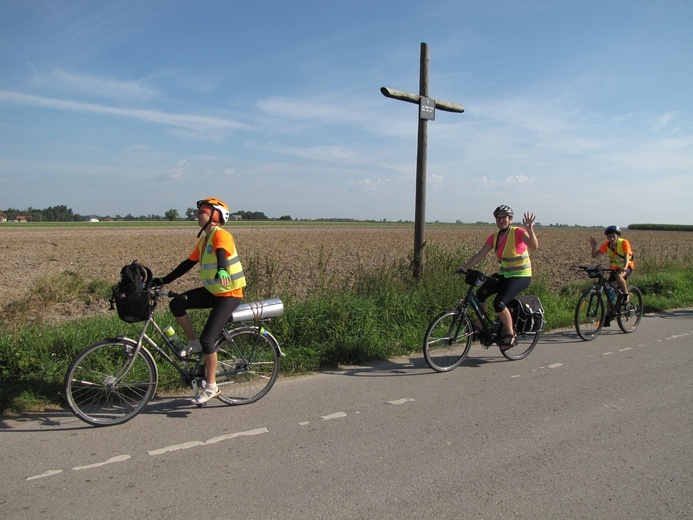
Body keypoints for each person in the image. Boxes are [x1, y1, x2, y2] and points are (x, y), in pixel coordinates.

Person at [155, 197, 246, 404]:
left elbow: (222, 252)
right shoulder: (205, 239)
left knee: (209, 339)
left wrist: (222, 268)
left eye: (201, 211)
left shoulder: (220, 235)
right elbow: (187, 264)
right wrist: (162, 280)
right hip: (214, 291)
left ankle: (212, 386)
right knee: (177, 303)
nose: (197, 215)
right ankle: (193, 343)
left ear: (214, 216)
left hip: (230, 294)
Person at [457, 205, 539, 349]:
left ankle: (510, 334)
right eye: (498, 217)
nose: (501, 220)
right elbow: (480, 254)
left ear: (510, 219)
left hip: (521, 275)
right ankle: (480, 327)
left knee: (499, 303)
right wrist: (465, 267)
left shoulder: (518, 232)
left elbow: (533, 245)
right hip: (505, 274)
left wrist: (530, 229)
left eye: (504, 217)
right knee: (480, 294)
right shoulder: (495, 238)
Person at [589, 225, 634, 299]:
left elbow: (626, 256)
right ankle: (610, 310)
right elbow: (594, 255)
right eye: (609, 236)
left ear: (618, 236)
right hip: (614, 269)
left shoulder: (624, 242)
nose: (611, 238)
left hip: (627, 266)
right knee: (609, 292)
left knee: (618, 276)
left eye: (613, 236)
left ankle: (626, 295)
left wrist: (624, 267)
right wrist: (594, 247)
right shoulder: (607, 244)